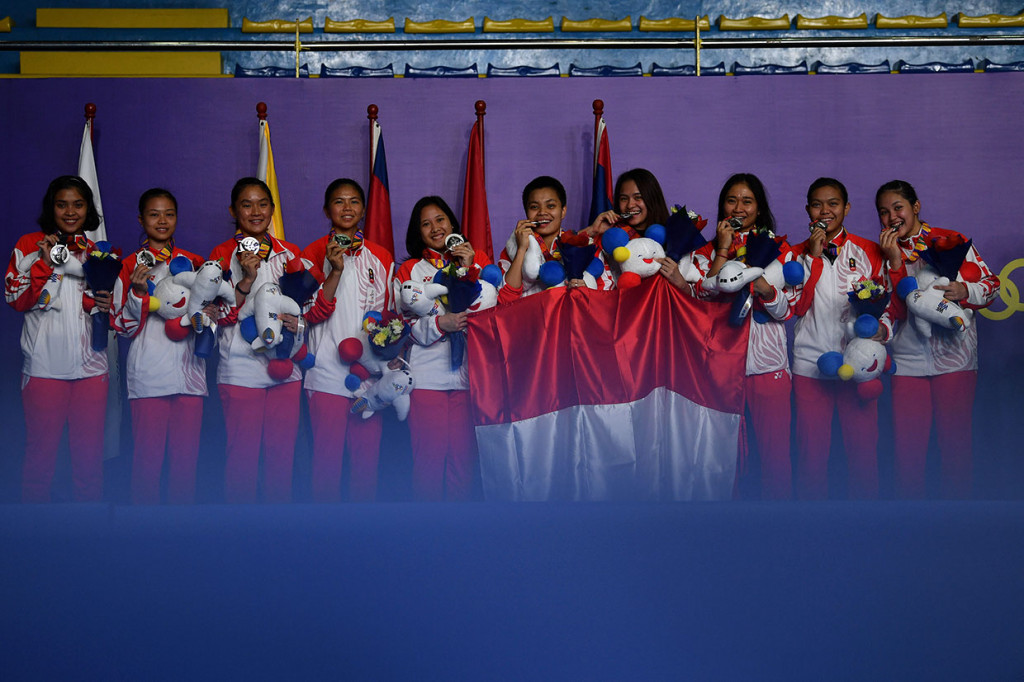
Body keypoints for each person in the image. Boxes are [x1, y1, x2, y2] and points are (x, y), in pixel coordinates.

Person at [876, 180, 1000, 499]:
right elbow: (890, 308)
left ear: (916, 207)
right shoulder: (882, 253)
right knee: (908, 451)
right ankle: (910, 519)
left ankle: (959, 519)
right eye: (884, 212)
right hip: (907, 363)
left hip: (955, 360)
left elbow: (992, 286)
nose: (892, 218)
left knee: (956, 446)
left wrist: (965, 290)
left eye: (898, 208)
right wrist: (894, 262)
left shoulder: (950, 241)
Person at [788, 178, 898, 500]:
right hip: (811, 365)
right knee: (811, 456)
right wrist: (812, 258)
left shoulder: (869, 251)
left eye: (833, 204)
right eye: (817, 205)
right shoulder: (794, 255)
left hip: (859, 364)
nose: (825, 211)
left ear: (846, 208)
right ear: (807, 209)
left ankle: (866, 523)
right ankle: (811, 524)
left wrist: (883, 330)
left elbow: (888, 303)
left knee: (864, 455)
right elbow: (796, 308)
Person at [5, 175, 112, 502]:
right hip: (44, 368)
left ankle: (88, 525)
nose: (70, 212)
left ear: (88, 209)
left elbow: (110, 311)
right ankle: (34, 526)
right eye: (62, 204)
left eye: (78, 205)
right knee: (40, 455)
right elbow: (16, 300)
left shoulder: (97, 252)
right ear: (51, 208)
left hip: (91, 369)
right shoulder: (29, 244)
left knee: (89, 457)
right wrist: (43, 262)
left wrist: (103, 303)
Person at [690, 173, 793, 498]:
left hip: (767, 366)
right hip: (719, 369)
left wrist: (765, 289)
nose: (739, 208)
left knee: (775, 458)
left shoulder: (780, 250)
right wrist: (722, 249)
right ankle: (727, 524)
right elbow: (702, 297)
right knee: (723, 459)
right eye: (731, 200)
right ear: (722, 206)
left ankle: (779, 523)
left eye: (747, 201)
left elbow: (786, 311)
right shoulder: (704, 251)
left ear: (759, 208)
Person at [209, 177, 304, 503]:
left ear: (272, 209)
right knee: (242, 457)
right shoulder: (221, 254)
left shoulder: (290, 254)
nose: (255, 211)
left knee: (282, 456)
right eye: (246, 205)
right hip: (240, 368)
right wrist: (247, 279)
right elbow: (218, 315)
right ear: (233, 211)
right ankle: (240, 527)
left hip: (284, 367)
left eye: (262, 204)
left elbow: (304, 307)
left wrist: (297, 322)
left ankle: (278, 526)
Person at [113, 188, 209, 504]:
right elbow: (122, 327)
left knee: (186, 465)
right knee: (147, 462)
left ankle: (182, 528)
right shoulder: (128, 265)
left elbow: (212, 315)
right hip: (148, 376)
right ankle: (143, 529)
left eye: (169, 214)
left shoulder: (194, 262)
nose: (162, 220)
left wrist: (207, 315)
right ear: (141, 220)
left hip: (189, 374)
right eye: (154, 214)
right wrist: (138, 293)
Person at [300, 178, 394, 502]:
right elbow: (309, 314)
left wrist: (378, 365)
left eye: (354, 201)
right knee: (326, 465)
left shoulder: (381, 257)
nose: (347, 208)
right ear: (327, 210)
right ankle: (324, 531)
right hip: (326, 373)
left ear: (364, 209)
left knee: (366, 468)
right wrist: (335, 270)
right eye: (339, 202)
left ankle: (363, 531)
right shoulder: (312, 253)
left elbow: (388, 318)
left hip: (369, 377)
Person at [393, 196, 491, 501]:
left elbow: (493, 311)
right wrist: (439, 324)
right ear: (417, 232)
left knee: (463, 463)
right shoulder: (409, 269)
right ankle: (427, 527)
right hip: (427, 377)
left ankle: (458, 527)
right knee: (429, 462)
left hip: (469, 377)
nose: (435, 228)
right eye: (426, 224)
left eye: (440, 219)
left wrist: (469, 268)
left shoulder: (478, 259)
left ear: (452, 223)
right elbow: (398, 327)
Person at [498, 175, 590, 303]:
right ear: (526, 212)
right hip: (528, 315)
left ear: (563, 211)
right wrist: (521, 249)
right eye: (534, 207)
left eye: (550, 206)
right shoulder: (513, 247)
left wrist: (584, 290)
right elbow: (505, 300)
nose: (542, 212)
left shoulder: (580, 247)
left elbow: (595, 301)